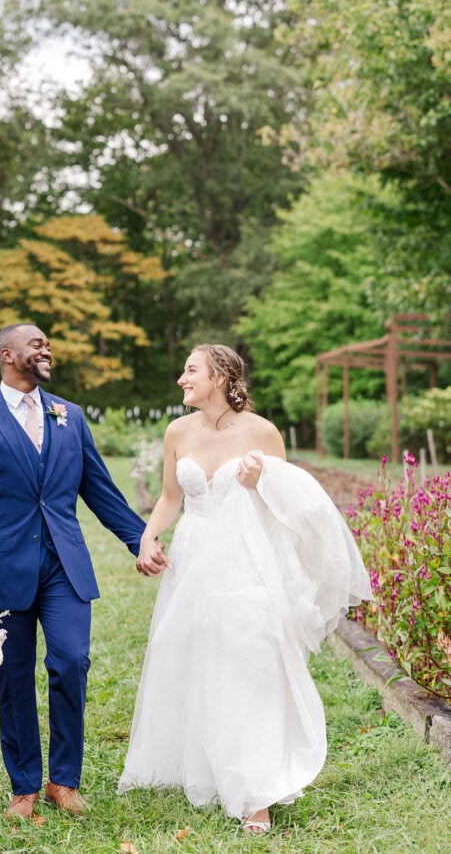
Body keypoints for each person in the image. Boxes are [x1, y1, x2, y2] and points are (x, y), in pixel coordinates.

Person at [118, 343, 372, 836]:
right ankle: (205, 766)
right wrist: (148, 537)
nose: (181, 380)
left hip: (248, 562)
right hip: (192, 560)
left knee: (249, 661)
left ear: (219, 377)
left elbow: (292, 501)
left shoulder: (262, 432)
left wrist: (264, 479)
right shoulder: (177, 431)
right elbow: (172, 495)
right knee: (196, 656)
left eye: (190, 371)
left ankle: (256, 792)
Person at [0, 323, 166, 821]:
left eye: (47, 343)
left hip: (65, 565)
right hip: (1, 570)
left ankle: (63, 780)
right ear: (6, 354)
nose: (46, 349)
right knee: (15, 677)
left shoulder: (71, 415)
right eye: (35, 343)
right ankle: (24, 786)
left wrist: (141, 539)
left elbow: (100, 489)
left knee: (72, 662)